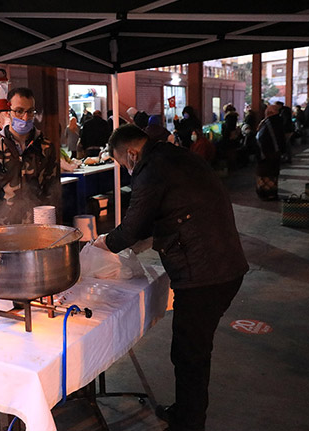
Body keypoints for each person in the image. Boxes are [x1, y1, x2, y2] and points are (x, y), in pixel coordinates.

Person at [95, 124, 248, 431]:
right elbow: (168, 211)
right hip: (226, 264)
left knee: (190, 354)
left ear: (132, 153)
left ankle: (188, 423)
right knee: (193, 349)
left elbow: (133, 227)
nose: (126, 170)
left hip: (204, 275)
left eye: (122, 163)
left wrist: (103, 243)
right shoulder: (175, 155)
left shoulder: (151, 170)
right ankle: (185, 412)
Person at [0, 87, 58, 227]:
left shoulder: (45, 147)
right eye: (19, 111)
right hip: (2, 224)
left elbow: (51, 188)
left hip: (37, 223)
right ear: (8, 112)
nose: (25, 117)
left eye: (30, 111)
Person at [255, 104, 284, 200]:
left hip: (267, 154)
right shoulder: (279, 121)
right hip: (276, 153)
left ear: (269, 113)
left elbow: (261, 138)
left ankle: (265, 193)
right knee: (273, 174)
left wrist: (261, 153)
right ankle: (272, 192)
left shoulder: (268, 123)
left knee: (265, 174)